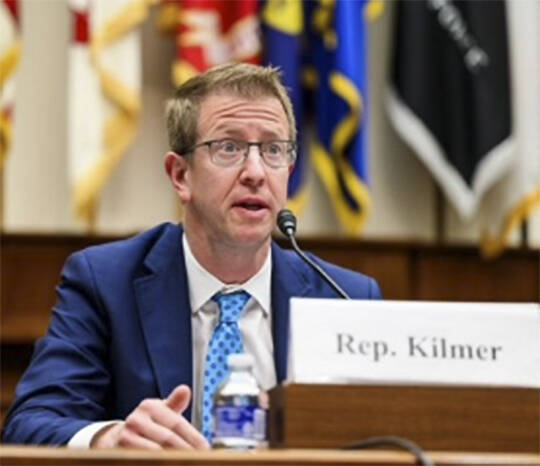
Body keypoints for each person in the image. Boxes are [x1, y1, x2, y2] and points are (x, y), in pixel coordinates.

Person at [2, 63, 381, 449]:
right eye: (229, 147)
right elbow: (30, 423)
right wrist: (109, 437)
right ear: (181, 175)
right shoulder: (106, 282)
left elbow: (387, 436)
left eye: (273, 150)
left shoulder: (344, 298)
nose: (255, 171)